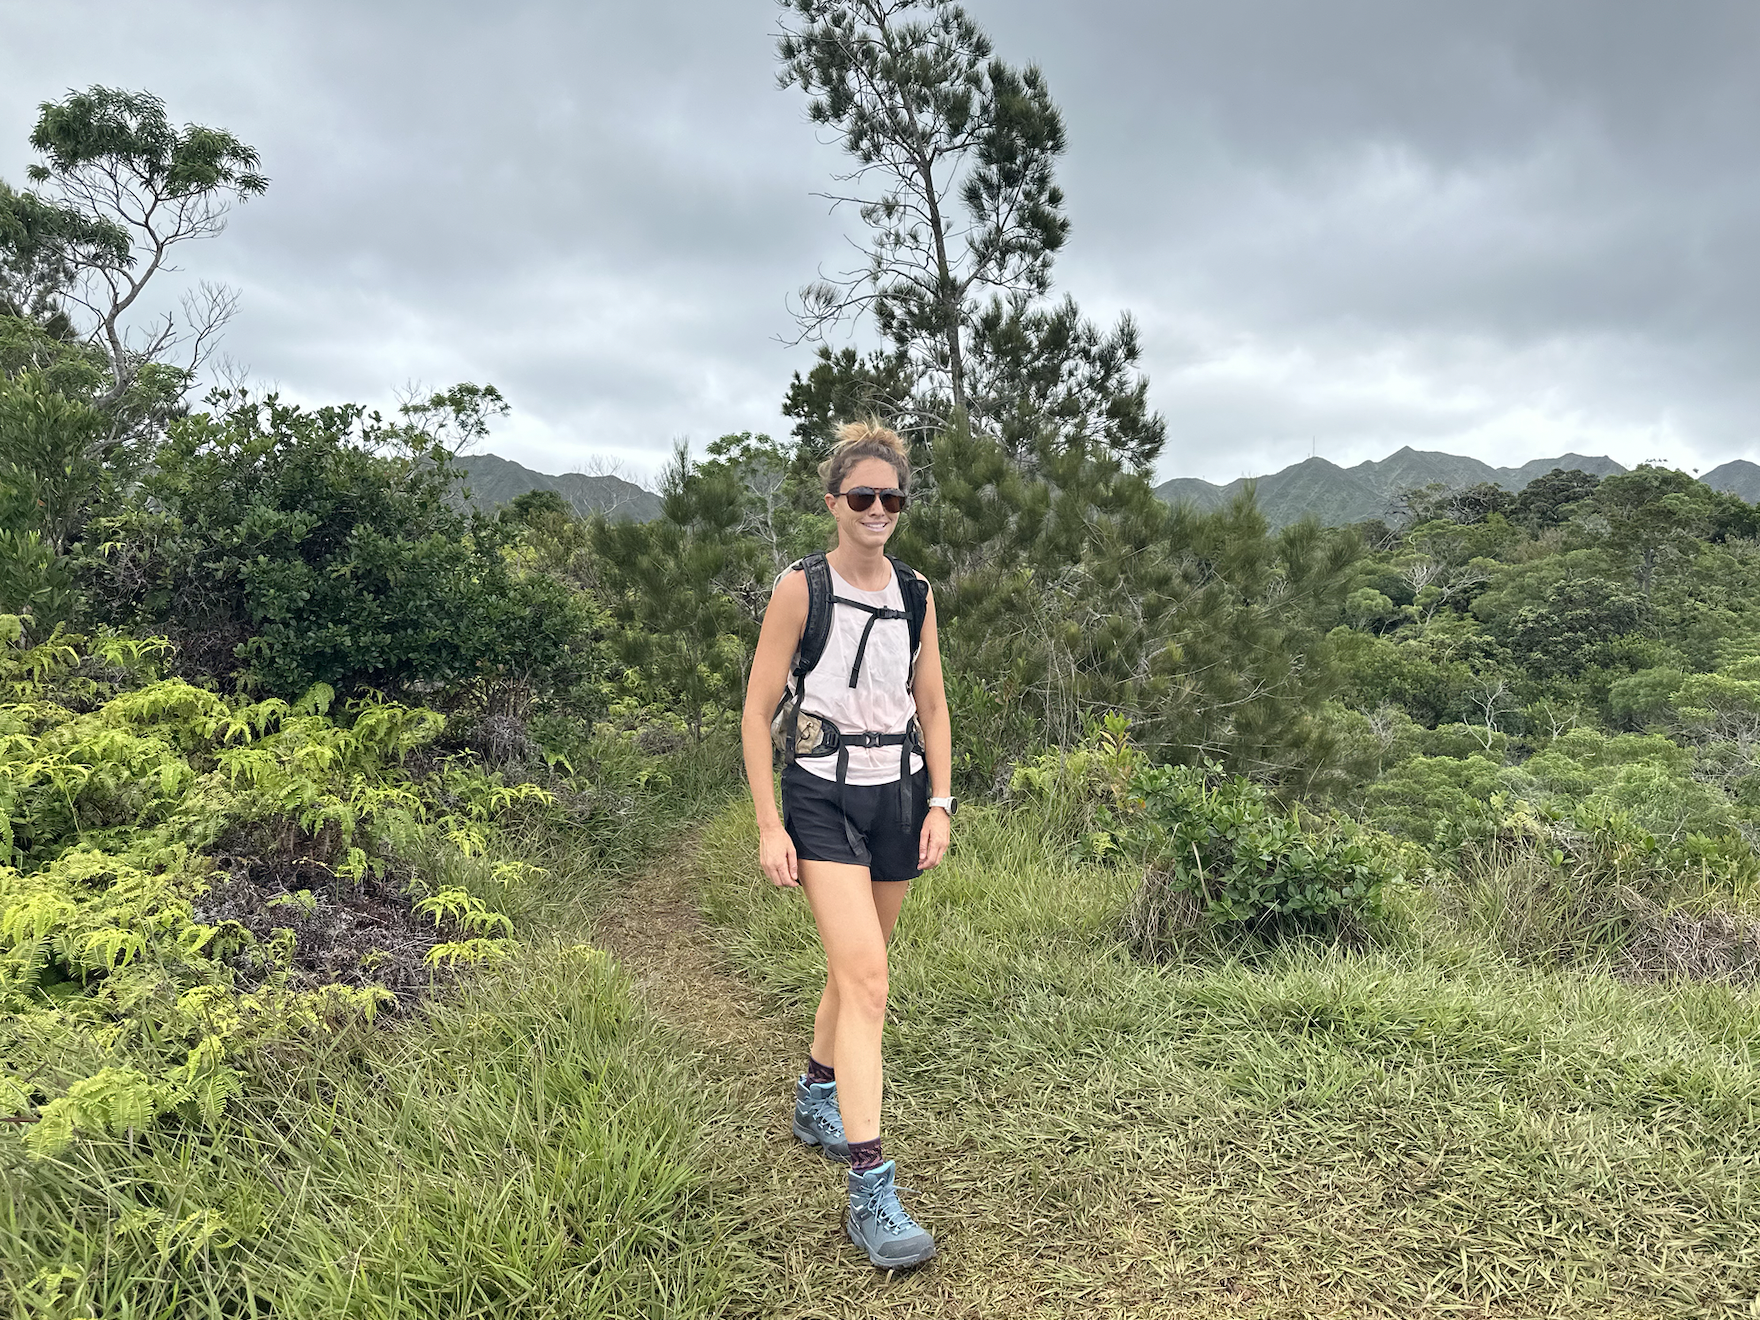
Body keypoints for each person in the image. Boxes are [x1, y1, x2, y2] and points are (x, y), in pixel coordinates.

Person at [740, 420, 955, 1270]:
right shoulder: (803, 589)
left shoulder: (916, 593)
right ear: (834, 503)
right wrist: (767, 824)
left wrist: (940, 802)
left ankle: (815, 1094)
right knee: (869, 982)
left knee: (853, 969)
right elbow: (757, 714)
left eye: (891, 497)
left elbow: (932, 705)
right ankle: (872, 1193)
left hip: (897, 795)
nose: (878, 509)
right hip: (822, 795)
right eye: (862, 496)